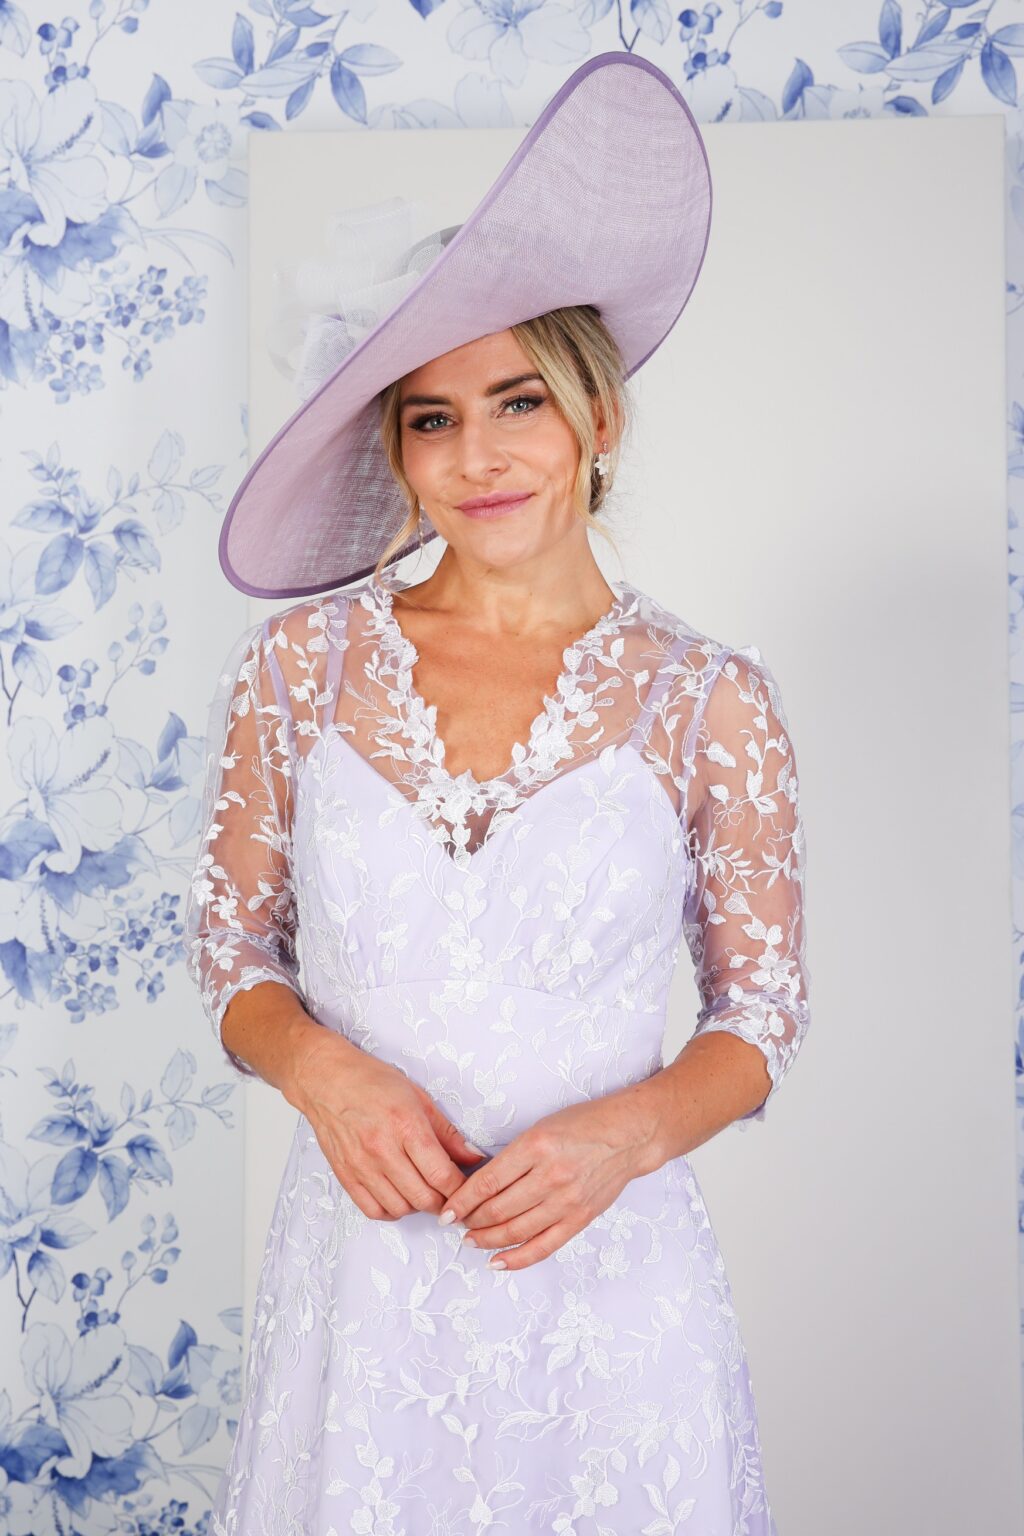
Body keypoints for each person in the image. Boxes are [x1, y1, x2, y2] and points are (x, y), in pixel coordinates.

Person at [185, 51, 810, 1534]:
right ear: (397, 451)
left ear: (597, 417)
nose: (478, 456)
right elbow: (232, 952)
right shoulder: (300, 667)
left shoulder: (708, 697)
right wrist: (323, 1074)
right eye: (431, 418)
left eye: (517, 401)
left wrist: (627, 1136)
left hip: (611, 1289)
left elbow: (762, 1017)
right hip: (364, 1287)